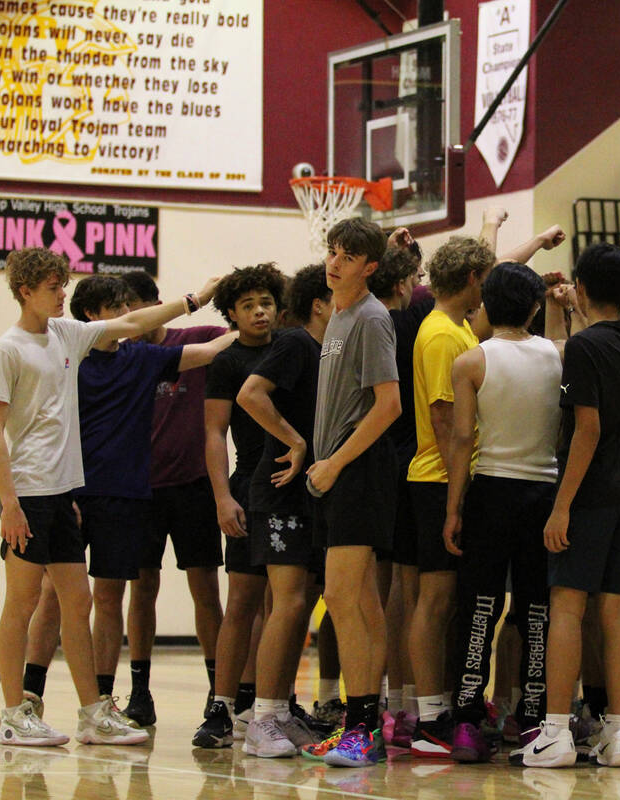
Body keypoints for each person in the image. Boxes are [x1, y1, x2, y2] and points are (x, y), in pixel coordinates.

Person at [0, 246, 218, 746]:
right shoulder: (7, 349)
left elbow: (135, 322)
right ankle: (13, 714)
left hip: (64, 493)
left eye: (63, 284)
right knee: (21, 604)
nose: (62, 294)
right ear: (25, 290)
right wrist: (9, 503)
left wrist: (193, 301)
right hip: (27, 494)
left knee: (78, 600)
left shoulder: (68, 333)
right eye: (53, 286)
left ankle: (93, 713)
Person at [512, 243, 620, 769]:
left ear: (583, 289)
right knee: (616, 609)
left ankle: (557, 732)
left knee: (567, 608)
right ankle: (618, 734)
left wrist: (562, 506)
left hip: (587, 490)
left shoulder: (587, 347)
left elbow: (585, 429)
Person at [440, 263, 562, 762]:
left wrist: (453, 508)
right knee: (537, 609)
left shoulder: (470, 362)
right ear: (535, 306)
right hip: (544, 493)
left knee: (480, 607)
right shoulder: (560, 355)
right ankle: (532, 719)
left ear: (485, 304)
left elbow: (463, 438)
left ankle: (468, 721)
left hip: (491, 490)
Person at [303, 218, 401, 768]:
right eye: (332, 251)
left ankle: (363, 726)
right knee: (359, 599)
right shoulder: (338, 316)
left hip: (358, 472)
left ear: (369, 266)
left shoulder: (370, 318)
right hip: (334, 471)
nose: (335, 262)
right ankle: (359, 725)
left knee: (341, 598)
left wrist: (336, 463)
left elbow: (388, 406)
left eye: (348, 255)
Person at [120, 270, 228, 725]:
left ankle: (217, 691)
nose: (128, 323)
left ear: (152, 305)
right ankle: (139, 691)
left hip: (193, 487)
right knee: (142, 589)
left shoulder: (198, 338)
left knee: (205, 588)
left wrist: (227, 288)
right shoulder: (122, 354)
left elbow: (243, 332)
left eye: (133, 313)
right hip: (141, 490)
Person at [404, 236, 495, 757]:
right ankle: (431, 718)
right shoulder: (440, 335)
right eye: (484, 278)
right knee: (434, 601)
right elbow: (443, 417)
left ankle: (446, 708)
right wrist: (456, 495)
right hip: (440, 479)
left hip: (451, 479)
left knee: (450, 602)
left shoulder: (456, 327)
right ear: (470, 280)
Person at [236, 265, 333, 758]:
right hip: (278, 487)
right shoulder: (296, 343)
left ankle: (281, 710)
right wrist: (295, 441)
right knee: (289, 600)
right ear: (320, 302)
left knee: (302, 600)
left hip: (306, 491)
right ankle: (263, 717)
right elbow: (249, 394)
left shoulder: (323, 351)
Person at [193, 264, 286, 748]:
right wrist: (222, 497)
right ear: (231, 312)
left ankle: (270, 706)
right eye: (248, 304)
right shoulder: (227, 361)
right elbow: (214, 432)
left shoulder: (291, 347)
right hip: (248, 485)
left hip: (290, 484)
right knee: (242, 602)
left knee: (284, 602)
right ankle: (221, 706)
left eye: (266, 302)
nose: (259, 311)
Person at [367, 235, 432, 746]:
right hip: (414, 463)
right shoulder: (420, 322)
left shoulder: (361, 319)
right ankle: (410, 704)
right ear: (403, 282)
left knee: (382, 587)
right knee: (414, 592)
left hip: (374, 461)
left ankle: (389, 704)